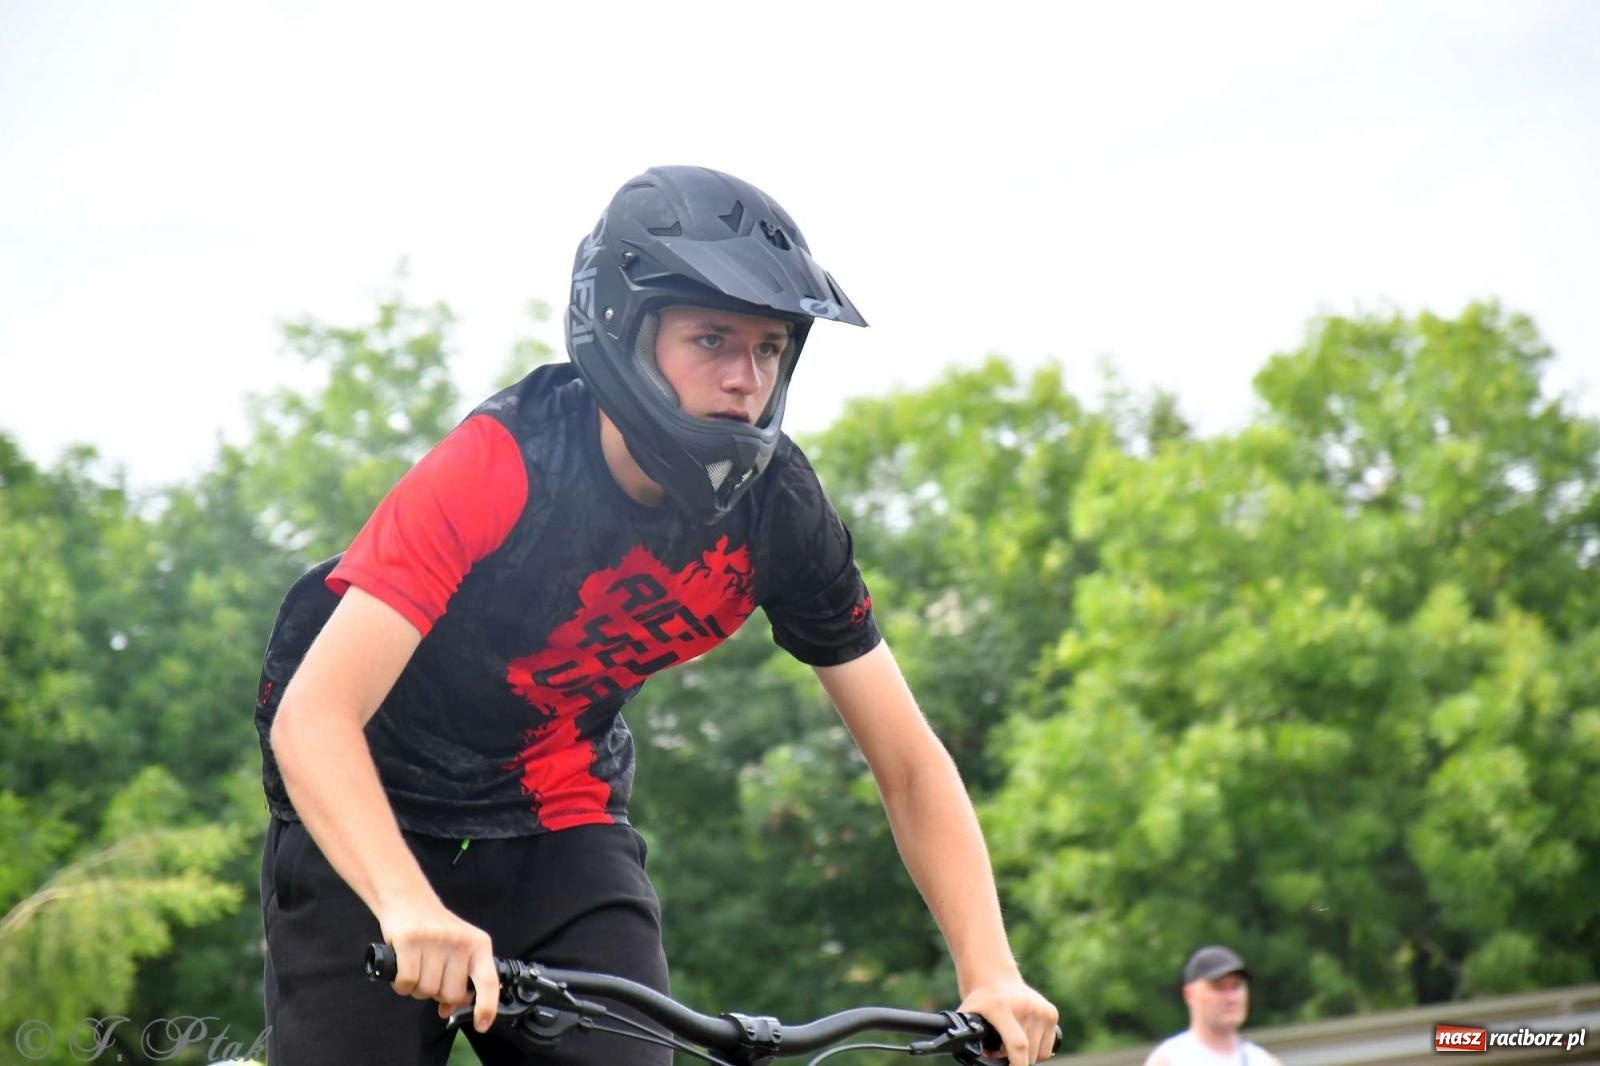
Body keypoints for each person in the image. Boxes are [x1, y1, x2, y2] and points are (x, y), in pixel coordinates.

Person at [254, 165, 1060, 1066]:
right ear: (622, 333)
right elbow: (314, 719)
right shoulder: (499, 465)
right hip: (374, 816)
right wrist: (407, 904)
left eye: (768, 348)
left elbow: (907, 761)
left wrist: (990, 970)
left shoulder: (779, 513)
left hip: (558, 817)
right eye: (710, 339)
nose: (744, 377)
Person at [1144, 946, 1281, 1066]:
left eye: (1236, 986)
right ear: (1189, 995)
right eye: (1219, 987)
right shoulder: (1172, 1060)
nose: (1230, 998)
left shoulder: (1262, 1061)